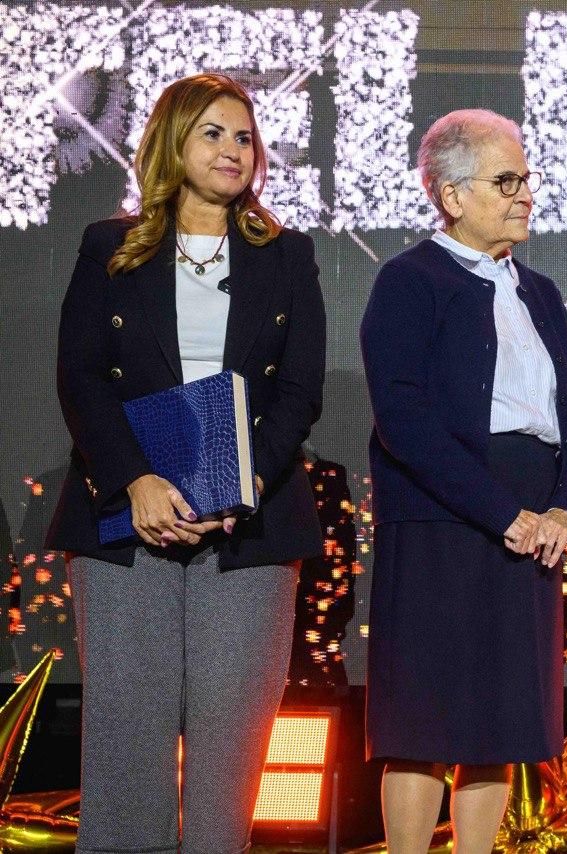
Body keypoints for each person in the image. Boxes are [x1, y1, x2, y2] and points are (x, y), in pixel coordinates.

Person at [46, 73, 326, 851]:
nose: (234, 149)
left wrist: (241, 486)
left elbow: (299, 391)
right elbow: (81, 376)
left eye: (244, 136)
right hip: (126, 518)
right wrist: (135, 480)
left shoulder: (288, 255)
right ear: (173, 142)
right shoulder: (108, 246)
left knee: (230, 746)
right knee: (127, 738)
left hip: (249, 526)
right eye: (213, 133)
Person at [360, 109, 567, 853]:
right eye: (506, 180)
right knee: (424, 723)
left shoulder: (540, 291)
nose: (525, 194)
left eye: (526, 178)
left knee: (499, 724)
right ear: (452, 195)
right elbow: (403, 419)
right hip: (442, 518)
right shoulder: (409, 281)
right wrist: (504, 513)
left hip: (532, 527)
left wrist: (564, 510)